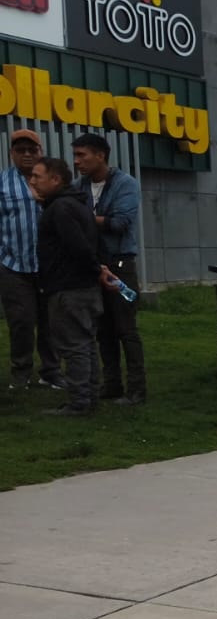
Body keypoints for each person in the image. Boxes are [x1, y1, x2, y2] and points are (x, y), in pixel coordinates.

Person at [72, 133, 145, 405]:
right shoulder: (79, 187)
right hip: (94, 264)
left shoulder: (125, 184)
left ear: (100, 155)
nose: (77, 161)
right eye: (76, 155)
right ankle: (112, 383)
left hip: (120, 265)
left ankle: (137, 389)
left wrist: (84, 219)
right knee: (103, 329)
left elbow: (121, 222)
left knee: (126, 328)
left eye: (83, 155)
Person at [30, 157, 103, 415]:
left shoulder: (60, 209)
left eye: (37, 176)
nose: (32, 180)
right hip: (83, 288)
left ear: (56, 179)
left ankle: (79, 403)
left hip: (68, 290)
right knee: (85, 344)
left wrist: (95, 270)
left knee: (74, 347)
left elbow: (78, 247)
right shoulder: (76, 205)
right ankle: (88, 397)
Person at [0, 128, 65, 391]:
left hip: (49, 266)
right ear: (11, 154)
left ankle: (51, 372)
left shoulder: (54, 181)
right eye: (20, 150)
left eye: (32, 150)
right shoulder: (2, 182)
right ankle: (21, 372)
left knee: (51, 321)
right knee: (22, 321)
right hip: (13, 265)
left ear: (40, 152)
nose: (26, 154)